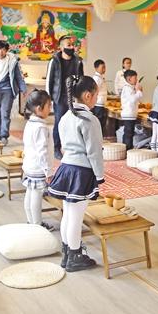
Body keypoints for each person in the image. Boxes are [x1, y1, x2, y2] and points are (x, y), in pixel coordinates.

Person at [47, 76, 104, 272]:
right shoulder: (90, 119)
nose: (96, 98)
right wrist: (99, 176)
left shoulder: (65, 117)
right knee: (76, 217)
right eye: (96, 95)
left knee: (68, 213)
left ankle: (67, 254)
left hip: (66, 168)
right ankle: (74, 256)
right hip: (82, 171)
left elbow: (63, 146)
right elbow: (94, 152)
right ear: (87, 95)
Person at [22, 90, 55, 231]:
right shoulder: (41, 128)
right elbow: (43, 152)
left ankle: (31, 221)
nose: (50, 108)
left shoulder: (30, 123)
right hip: (38, 167)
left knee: (30, 194)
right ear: (39, 109)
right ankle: (37, 225)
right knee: (36, 196)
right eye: (48, 105)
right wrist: (48, 171)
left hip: (29, 164)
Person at [46, 35, 84, 159]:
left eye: (72, 45)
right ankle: (57, 148)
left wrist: (80, 97)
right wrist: (49, 99)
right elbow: (49, 80)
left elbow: (81, 80)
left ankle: (71, 148)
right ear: (61, 48)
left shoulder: (78, 61)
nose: (71, 47)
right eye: (68, 45)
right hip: (59, 97)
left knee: (73, 123)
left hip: (73, 97)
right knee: (59, 122)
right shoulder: (54, 61)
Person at [120, 69, 143, 150]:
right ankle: (127, 150)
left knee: (129, 133)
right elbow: (133, 100)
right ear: (129, 79)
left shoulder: (130, 88)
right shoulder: (127, 88)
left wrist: (138, 91)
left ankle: (126, 148)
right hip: (128, 114)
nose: (137, 80)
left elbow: (136, 99)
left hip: (131, 114)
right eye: (135, 78)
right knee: (128, 133)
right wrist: (138, 91)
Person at [91, 59, 108, 127]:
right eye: (102, 67)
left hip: (101, 103)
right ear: (96, 68)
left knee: (101, 123)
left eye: (105, 67)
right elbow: (94, 91)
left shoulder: (101, 77)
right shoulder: (97, 78)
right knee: (99, 123)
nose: (104, 69)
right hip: (98, 104)